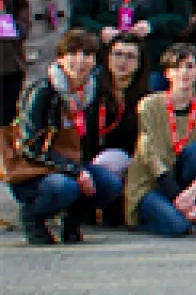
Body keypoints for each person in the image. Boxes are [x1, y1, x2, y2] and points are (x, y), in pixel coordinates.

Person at [4, 30, 122, 244]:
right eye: (73, 53)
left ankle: (71, 222)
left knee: (109, 183)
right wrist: (75, 171)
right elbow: (31, 147)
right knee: (66, 187)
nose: (80, 61)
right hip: (36, 170)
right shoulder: (42, 91)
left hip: (73, 165)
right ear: (60, 57)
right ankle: (33, 216)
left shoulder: (93, 92)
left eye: (87, 55)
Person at [125, 44, 196, 237]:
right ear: (167, 73)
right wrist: (177, 196)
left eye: (189, 66)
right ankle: (157, 214)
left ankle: (192, 205)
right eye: (176, 67)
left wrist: (195, 190)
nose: (184, 73)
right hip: (153, 182)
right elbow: (150, 156)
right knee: (178, 226)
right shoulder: (149, 105)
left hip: (187, 182)